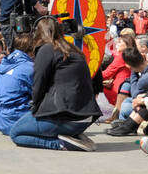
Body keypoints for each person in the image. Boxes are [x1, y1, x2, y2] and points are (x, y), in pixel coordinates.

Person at [8, 16, 100, 151]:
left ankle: (61, 144)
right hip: (85, 117)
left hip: (65, 115)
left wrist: (35, 108)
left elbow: (38, 83)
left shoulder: (46, 49)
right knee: (25, 123)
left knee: (16, 133)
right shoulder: (73, 50)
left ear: (37, 32)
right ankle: (73, 136)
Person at [0, 32, 36, 135]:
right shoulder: (29, 67)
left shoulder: (7, 63)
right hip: (15, 118)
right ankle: (58, 144)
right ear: (33, 50)